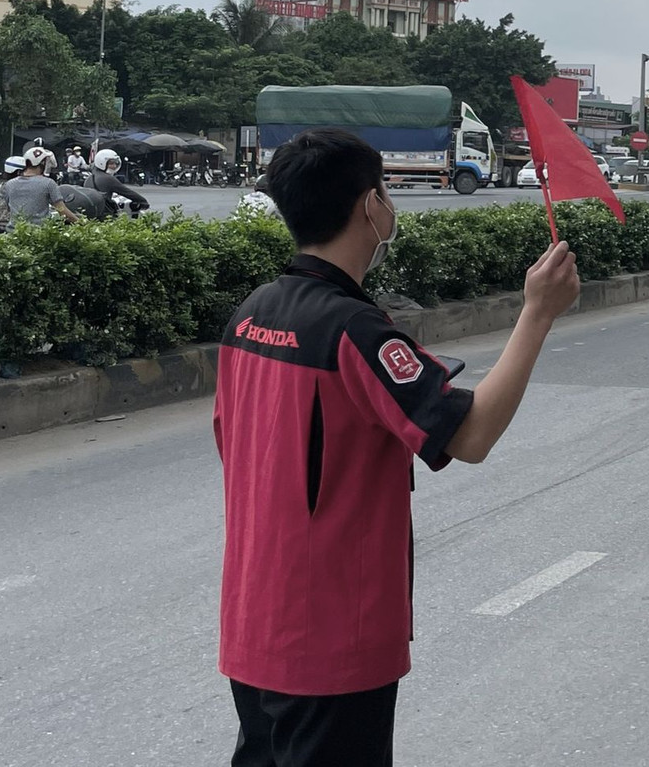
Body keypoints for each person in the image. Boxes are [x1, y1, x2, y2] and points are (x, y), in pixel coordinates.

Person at [214, 128, 579, 767]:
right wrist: (537, 313)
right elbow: (470, 435)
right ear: (368, 207)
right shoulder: (355, 332)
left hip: (254, 624)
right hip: (329, 640)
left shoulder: (250, 314)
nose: (389, 203)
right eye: (384, 189)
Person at [1, 147, 80, 225]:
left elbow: (7, 209)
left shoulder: (9, 184)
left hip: (13, 232)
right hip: (39, 234)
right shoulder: (48, 183)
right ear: (42, 163)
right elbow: (62, 210)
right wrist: (82, 222)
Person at [86, 149, 149, 216]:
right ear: (101, 163)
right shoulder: (107, 178)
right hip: (103, 214)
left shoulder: (92, 175)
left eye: (116, 163)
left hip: (91, 212)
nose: (114, 166)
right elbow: (128, 192)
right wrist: (143, 202)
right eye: (111, 163)